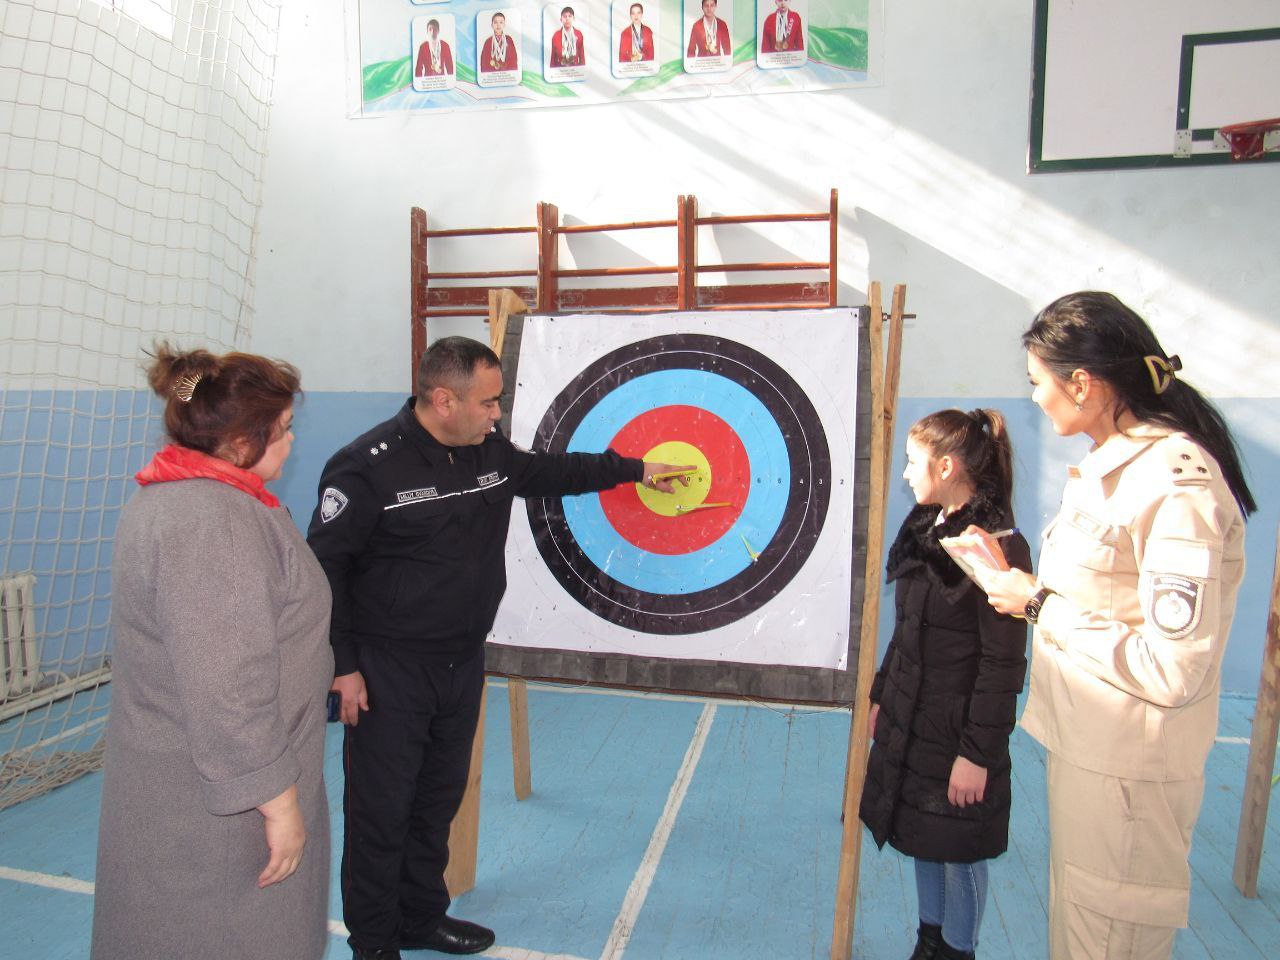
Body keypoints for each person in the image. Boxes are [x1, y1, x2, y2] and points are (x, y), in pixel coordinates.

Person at [307, 336, 689, 960]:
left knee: (436, 801)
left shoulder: (488, 453)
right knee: (383, 815)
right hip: (388, 668)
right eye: (487, 403)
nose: (496, 414)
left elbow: (555, 472)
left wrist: (637, 468)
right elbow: (326, 571)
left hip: (461, 660)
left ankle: (420, 917)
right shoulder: (366, 466)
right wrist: (343, 666)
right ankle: (375, 944)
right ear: (442, 400)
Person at [980, 292, 1254, 960]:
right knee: (1081, 932)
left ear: (1083, 383)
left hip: (1131, 770)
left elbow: (1174, 667)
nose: (1037, 399)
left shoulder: (1174, 483)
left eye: (1038, 383)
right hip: (1097, 752)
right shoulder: (1115, 462)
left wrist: (1037, 605)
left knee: (1107, 942)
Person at [91, 345, 332, 960]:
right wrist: (277, 804)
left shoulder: (194, 497)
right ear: (239, 439)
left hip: (205, 790)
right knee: (221, 938)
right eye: (281, 429)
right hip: (220, 817)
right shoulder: (210, 521)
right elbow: (227, 686)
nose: (290, 438)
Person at [860, 409, 1031, 960]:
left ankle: (959, 949)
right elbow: (906, 629)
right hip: (915, 717)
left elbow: (1002, 663)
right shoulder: (925, 532)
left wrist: (976, 754)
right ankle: (928, 942)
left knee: (960, 849)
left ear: (948, 465)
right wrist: (883, 695)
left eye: (914, 463)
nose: (907, 474)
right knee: (924, 837)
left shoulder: (996, 546)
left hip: (958, 730)